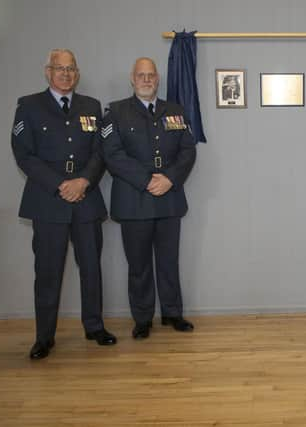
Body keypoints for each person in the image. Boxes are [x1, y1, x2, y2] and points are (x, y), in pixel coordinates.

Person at [11, 49, 116, 360]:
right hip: (48, 202)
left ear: (77, 73)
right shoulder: (29, 106)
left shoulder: (92, 107)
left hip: (86, 199)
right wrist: (61, 185)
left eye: (71, 69)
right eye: (60, 69)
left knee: (91, 269)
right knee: (47, 272)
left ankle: (94, 326)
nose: (66, 74)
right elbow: (23, 153)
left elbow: (101, 152)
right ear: (48, 71)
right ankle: (44, 337)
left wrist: (83, 182)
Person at [101, 58, 197, 340]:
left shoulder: (175, 111)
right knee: (139, 264)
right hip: (134, 200)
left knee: (169, 261)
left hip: (169, 198)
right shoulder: (116, 112)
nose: (146, 80)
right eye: (141, 75)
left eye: (151, 75)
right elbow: (112, 154)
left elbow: (187, 151)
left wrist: (169, 178)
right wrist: (147, 180)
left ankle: (172, 312)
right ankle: (142, 318)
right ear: (132, 79)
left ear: (158, 79)